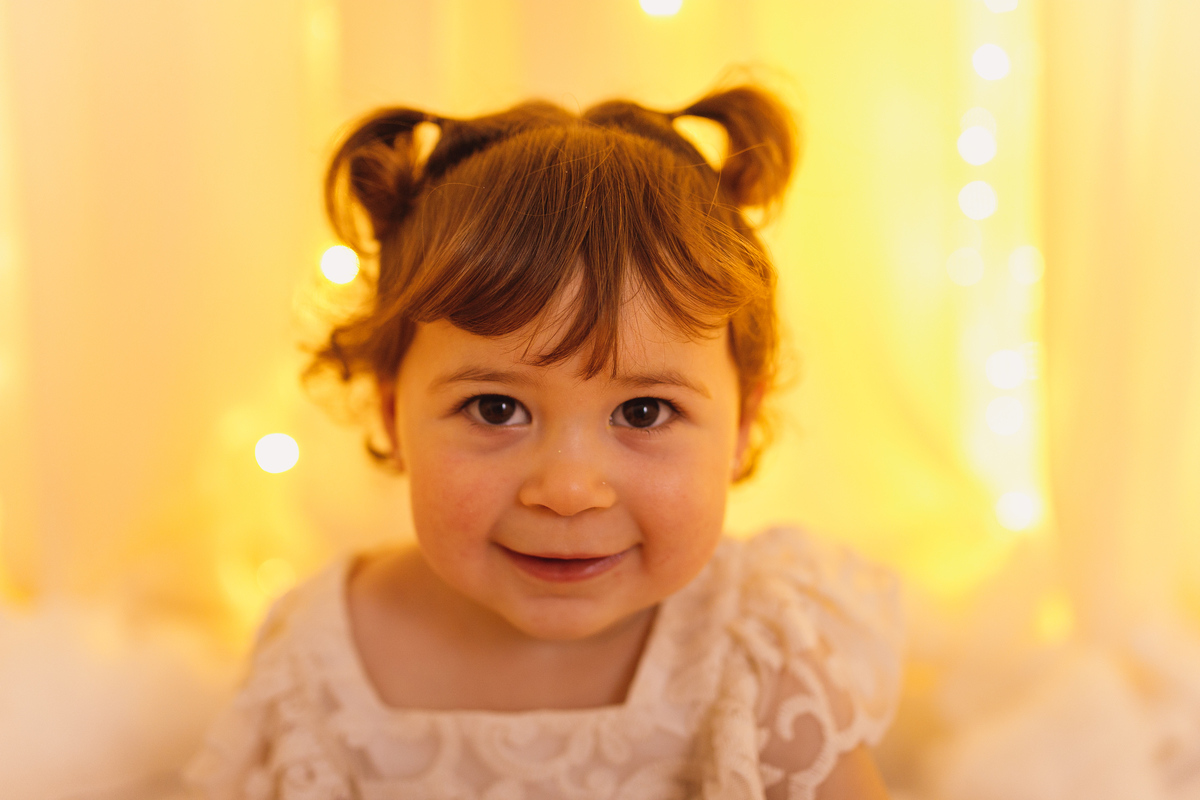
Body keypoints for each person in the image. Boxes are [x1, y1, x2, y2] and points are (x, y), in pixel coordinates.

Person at [186, 84, 903, 800]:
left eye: (645, 411)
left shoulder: (758, 644)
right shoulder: (321, 656)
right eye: (496, 409)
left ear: (743, 428)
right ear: (390, 412)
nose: (566, 490)